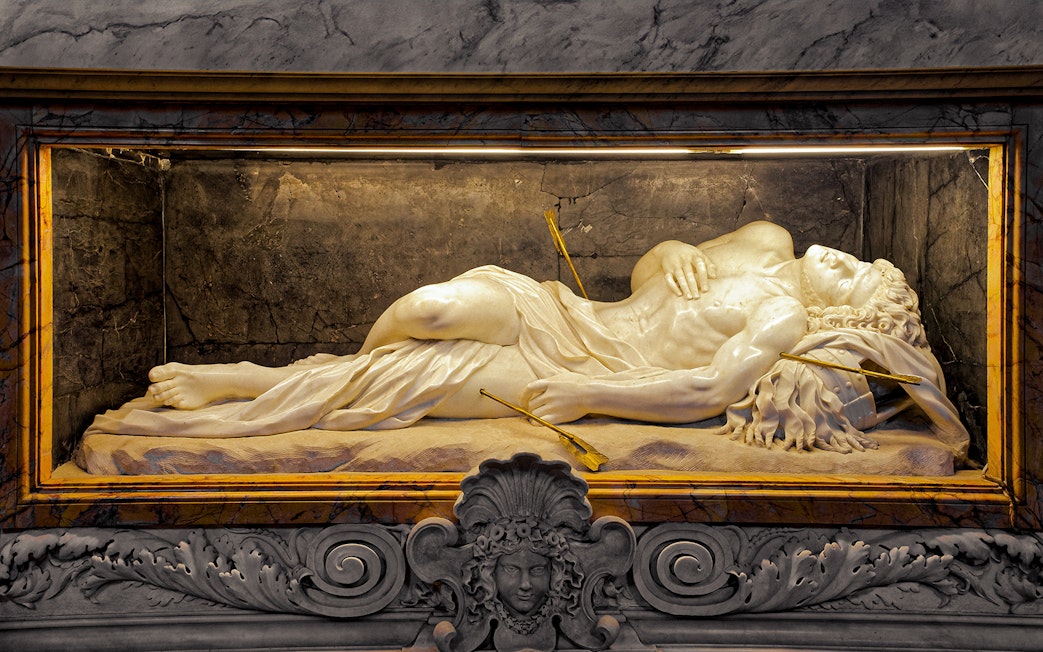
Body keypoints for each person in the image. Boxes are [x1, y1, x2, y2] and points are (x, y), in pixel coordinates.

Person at [89, 220, 969, 459]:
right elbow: (649, 265)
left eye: (855, 274)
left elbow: (704, 392)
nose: (845, 257)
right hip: (566, 311)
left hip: (587, 364)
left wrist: (594, 397)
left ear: (844, 315)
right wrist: (669, 252)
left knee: (418, 381)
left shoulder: (785, 322)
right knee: (431, 308)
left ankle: (247, 384)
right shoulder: (766, 238)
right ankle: (272, 377)